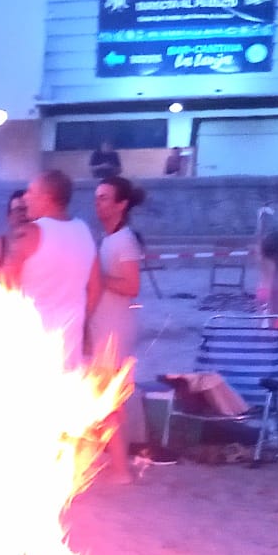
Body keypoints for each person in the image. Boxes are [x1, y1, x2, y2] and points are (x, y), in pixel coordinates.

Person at [88, 177, 157, 479]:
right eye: (97, 197)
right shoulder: (108, 239)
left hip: (115, 331)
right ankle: (112, 463)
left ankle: (121, 470)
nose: (98, 203)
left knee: (109, 398)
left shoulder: (125, 239)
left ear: (121, 204)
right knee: (103, 396)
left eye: (104, 198)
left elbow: (132, 286)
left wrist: (98, 279)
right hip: (105, 327)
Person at [0, 170, 100, 367]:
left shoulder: (28, 233)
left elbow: (4, 286)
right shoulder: (84, 231)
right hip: (70, 341)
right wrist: (79, 318)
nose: (25, 198)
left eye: (30, 192)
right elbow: (96, 287)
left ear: (47, 198)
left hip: (30, 344)